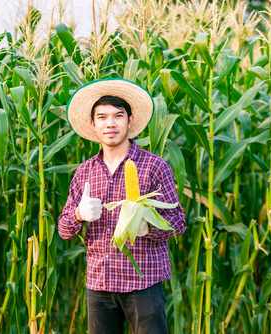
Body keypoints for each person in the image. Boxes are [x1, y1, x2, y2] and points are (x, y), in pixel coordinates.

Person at [58, 79, 186, 334]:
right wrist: (79, 214)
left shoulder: (154, 166)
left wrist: (147, 228)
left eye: (118, 116)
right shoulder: (84, 172)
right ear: (93, 124)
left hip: (144, 284)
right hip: (99, 285)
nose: (110, 123)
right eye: (102, 117)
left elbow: (178, 222)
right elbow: (63, 229)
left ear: (130, 120)